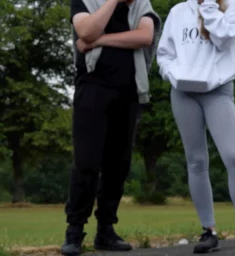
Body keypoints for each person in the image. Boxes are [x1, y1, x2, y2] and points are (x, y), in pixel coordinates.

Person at [156, 0, 235, 254]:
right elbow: (164, 53)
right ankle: (208, 232)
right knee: (196, 161)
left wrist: (210, 8)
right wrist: (173, 74)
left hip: (218, 90)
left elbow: (223, 37)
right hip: (183, 92)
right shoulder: (178, 11)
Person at [62, 0, 161, 255]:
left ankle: (106, 230)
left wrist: (100, 41)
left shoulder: (141, 5)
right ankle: (74, 231)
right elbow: (85, 31)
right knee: (86, 162)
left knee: (118, 165)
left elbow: (145, 36)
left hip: (129, 92)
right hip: (92, 88)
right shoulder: (86, 1)